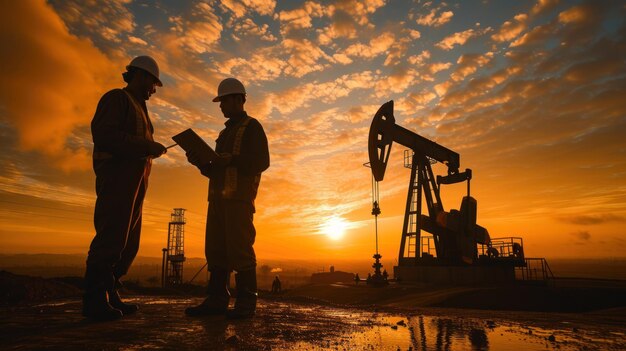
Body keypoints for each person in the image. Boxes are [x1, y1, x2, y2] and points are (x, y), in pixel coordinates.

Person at [83, 56, 167, 321]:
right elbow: (105, 136)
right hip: (117, 179)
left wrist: (151, 150)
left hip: (136, 183)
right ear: (140, 76)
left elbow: (137, 144)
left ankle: (111, 291)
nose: (153, 90)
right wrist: (147, 147)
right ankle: (95, 300)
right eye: (152, 84)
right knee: (111, 238)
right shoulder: (117, 99)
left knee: (128, 243)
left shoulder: (140, 109)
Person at [185, 78, 269, 319]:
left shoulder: (252, 127)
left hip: (239, 200)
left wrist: (231, 159)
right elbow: (216, 170)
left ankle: (246, 303)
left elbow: (262, 162)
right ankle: (217, 300)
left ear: (238, 99)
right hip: (217, 200)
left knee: (240, 249)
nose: (220, 106)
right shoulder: (225, 132)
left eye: (223, 101)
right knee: (216, 250)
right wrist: (201, 163)